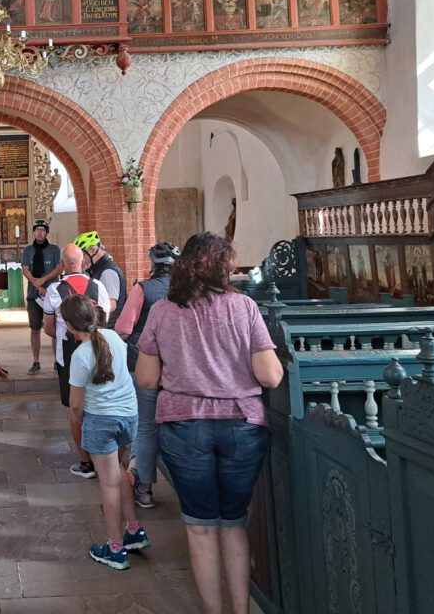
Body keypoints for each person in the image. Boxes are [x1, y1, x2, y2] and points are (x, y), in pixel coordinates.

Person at [137, 232, 283, 614]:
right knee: (233, 524)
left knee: (201, 527)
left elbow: (147, 379)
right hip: (241, 423)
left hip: (185, 424)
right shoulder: (244, 307)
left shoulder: (163, 310)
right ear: (223, 267)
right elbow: (270, 376)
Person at [61, 295, 151, 569]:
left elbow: (76, 405)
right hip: (129, 416)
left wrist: (84, 423)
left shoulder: (80, 355)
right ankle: (133, 531)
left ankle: (114, 548)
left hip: (102, 421)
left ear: (68, 325)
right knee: (119, 473)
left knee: (109, 482)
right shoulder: (113, 337)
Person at [114, 241, 181, 509]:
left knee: (146, 426)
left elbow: (123, 329)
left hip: (144, 364)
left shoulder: (143, 290)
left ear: (153, 264)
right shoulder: (186, 292)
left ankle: (144, 488)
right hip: (178, 367)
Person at [44, 243, 110, 479]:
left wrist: (65, 335)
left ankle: (86, 462)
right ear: (83, 262)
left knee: (75, 406)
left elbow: (48, 328)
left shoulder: (55, 289)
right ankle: (106, 457)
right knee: (99, 400)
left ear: (62, 265)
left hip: (69, 353)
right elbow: (104, 320)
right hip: (98, 350)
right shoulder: (98, 286)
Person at [20, 219, 62, 374]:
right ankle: (36, 361)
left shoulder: (54, 249)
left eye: (43, 230)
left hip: (52, 293)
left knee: (55, 328)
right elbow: (25, 269)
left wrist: (43, 281)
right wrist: (37, 284)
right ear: (33, 232)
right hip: (34, 295)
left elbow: (59, 268)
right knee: (35, 328)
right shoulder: (28, 250)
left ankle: (58, 360)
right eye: (37, 230)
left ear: (47, 232)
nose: (40, 232)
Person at [74, 230, 127, 329]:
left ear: (92, 250)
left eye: (83, 254)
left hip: (109, 327)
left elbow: (111, 305)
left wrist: (86, 309)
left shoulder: (107, 272)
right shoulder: (98, 268)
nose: (82, 259)